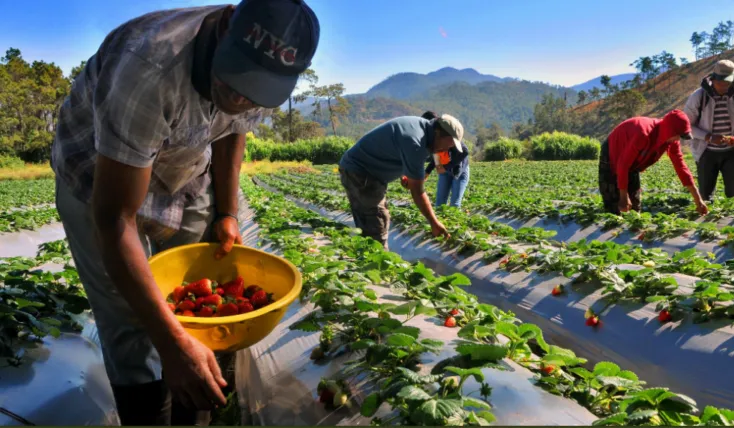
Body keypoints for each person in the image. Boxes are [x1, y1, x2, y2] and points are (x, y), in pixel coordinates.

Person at [50, 0, 320, 425]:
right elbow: (114, 218)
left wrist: (227, 212)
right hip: (95, 177)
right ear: (226, 24)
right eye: (235, 78)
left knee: (196, 295)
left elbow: (234, 129)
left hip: (183, 170)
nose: (241, 96)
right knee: (131, 318)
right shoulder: (148, 65)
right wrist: (173, 346)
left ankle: (192, 407)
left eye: (256, 89)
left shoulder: (261, 80)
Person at [338, 114, 465, 249]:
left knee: (373, 219)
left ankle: (368, 256)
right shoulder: (415, 142)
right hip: (361, 173)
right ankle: (377, 262)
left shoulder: (420, 127)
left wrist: (405, 173)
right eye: (449, 144)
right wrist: (434, 222)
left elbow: (392, 147)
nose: (447, 150)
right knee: (376, 222)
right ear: (438, 133)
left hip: (363, 171)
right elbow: (417, 191)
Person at [598, 109, 709, 216]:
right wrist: (623, 196)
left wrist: (698, 200)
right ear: (670, 131)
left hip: (633, 161)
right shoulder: (643, 134)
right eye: (678, 136)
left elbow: (681, 167)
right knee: (615, 204)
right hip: (613, 151)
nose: (678, 140)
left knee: (634, 207)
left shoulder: (671, 140)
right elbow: (623, 164)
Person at [683, 59, 734, 202]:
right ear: (712, 78)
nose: (723, 86)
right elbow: (687, 125)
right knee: (705, 197)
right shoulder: (699, 96)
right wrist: (708, 137)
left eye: (726, 83)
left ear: (733, 79)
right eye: (720, 82)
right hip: (706, 152)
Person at [422, 114, 470, 208]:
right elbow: (436, 156)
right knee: (439, 204)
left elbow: (465, 151)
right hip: (444, 171)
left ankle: (454, 222)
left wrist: (447, 166)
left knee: (454, 205)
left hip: (458, 172)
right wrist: (427, 171)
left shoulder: (450, 138)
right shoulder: (437, 140)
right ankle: (439, 222)